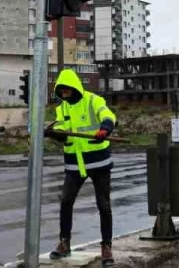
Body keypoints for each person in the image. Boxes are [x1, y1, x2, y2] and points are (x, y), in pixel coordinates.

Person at [48, 69, 118, 267]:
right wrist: (55, 134)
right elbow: (63, 131)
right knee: (66, 202)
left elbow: (108, 115)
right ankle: (64, 242)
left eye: (66, 91)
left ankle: (106, 248)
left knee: (103, 205)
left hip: (99, 162)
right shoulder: (62, 108)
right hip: (74, 163)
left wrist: (105, 129)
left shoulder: (92, 100)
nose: (63, 95)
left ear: (74, 88)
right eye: (60, 92)